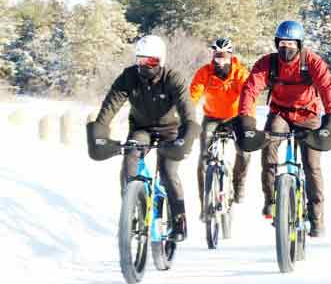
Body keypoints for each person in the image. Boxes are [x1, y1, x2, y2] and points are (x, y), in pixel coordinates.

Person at [235, 20, 331, 237]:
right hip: (280, 113)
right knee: (268, 148)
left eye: (292, 44)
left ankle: (316, 217)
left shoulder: (312, 61)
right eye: (283, 43)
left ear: (300, 44)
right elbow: (250, 88)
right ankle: (271, 200)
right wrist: (246, 120)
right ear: (277, 43)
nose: (287, 48)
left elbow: (327, 87)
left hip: (308, 114)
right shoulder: (268, 63)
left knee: (312, 166)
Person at [90, 35, 199, 241]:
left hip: (170, 130)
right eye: (141, 60)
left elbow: (187, 110)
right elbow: (110, 105)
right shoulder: (129, 77)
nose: (145, 65)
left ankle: (178, 220)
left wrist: (188, 135)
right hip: (142, 129)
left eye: (151, 61)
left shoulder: (173, 78)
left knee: (167, 172)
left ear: (161, 61)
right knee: (130, 159)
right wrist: (100, 130)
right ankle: (130, 212)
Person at [189, 37, 252, 218]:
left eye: (223, 56)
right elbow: (193, 93)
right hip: (212, 118)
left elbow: (248, 95)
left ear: (230, 56)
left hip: (235, 117)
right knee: (203, 161)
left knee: (245, 151)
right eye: (217, 56)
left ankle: (238, 183)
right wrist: (185, 113)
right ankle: (204, 205)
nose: (220, 60)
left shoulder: (240, 73)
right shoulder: (205, 72)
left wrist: (248, 119)